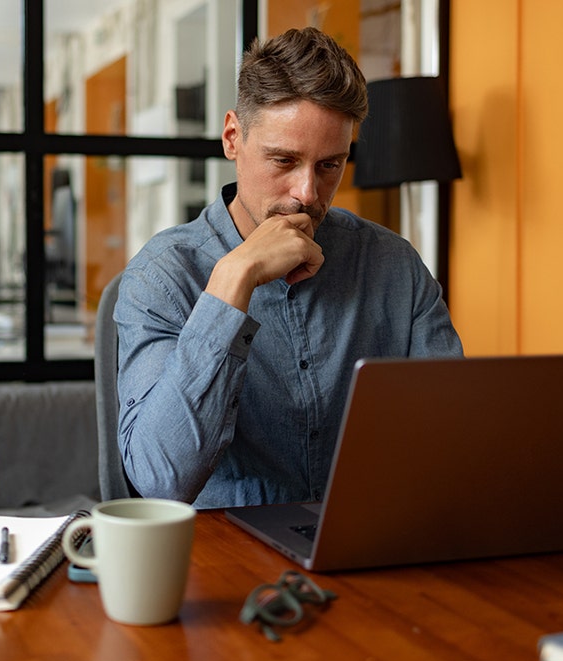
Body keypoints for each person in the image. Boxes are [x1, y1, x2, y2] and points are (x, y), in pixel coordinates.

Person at [114, 27, 464, 509]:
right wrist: (231, 282)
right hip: (225, 565)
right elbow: (160, 482)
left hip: (371, 548)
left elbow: (454, 440)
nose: (307, 193)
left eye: (329, 165)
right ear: (233, 137)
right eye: (284, 160)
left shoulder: (393, 266)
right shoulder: (161, 278)